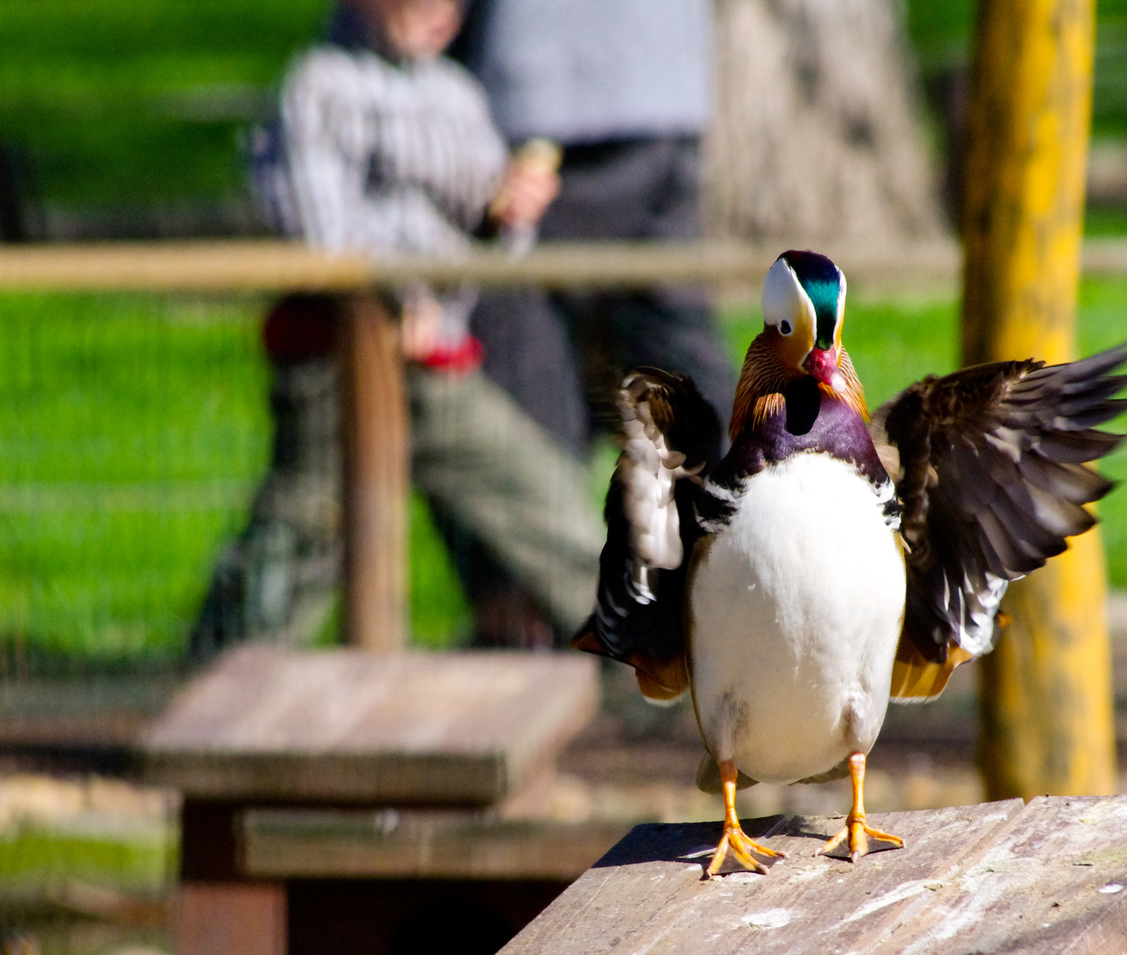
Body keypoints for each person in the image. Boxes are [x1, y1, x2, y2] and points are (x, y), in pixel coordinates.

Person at [190, 0, 603, 657]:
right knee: (305, 531)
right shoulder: (321, 86)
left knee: (545, 505)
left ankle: (655, 667)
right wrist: (395, 300)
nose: (435, 12)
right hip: (335, 365)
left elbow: (483, 237)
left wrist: (506, 215)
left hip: (434, 358)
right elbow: (323, 232)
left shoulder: (456, 96)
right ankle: (217, 672)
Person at [450, 0, 738, 455]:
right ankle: (751, 501)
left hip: (541, 91)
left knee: (526, 354)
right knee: (668, 336)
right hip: (656, 82)